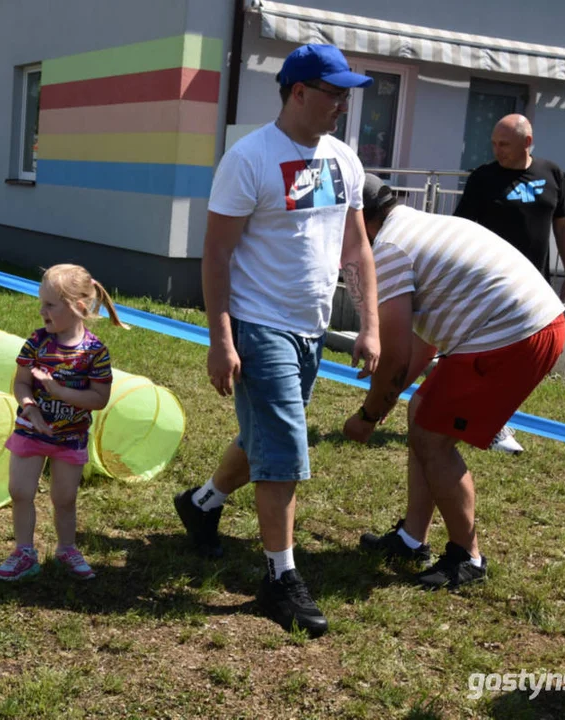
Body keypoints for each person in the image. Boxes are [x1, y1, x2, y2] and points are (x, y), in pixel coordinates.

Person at [172, 44, 381, 636]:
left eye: (346, 93)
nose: (342, 104)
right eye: (333, 92)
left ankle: (202, 504)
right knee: (285, 449)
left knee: (263, 435)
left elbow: (355, 247)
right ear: (297, 92)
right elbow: (216, 253)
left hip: (310, 327)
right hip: (259, 323)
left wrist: (368, 324)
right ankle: (279, 577)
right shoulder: (250, 159)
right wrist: (222, 340)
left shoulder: (344, 160)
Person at [345, 174, 565, 589]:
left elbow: (393, 357)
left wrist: (368, 416)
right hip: (529, 323)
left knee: (432, 437)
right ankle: (413, 538)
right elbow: (421, 346)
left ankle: (469, 558)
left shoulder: (389, 250)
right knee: (422, 414)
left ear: (360, 221)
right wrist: (382, 406)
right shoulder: (414, 227)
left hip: (516, 334)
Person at [0, 264, 127, 582]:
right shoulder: (37, 343)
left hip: (70, 437)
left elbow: (99, 399)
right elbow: (21, 383)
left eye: (50, 305)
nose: (42, 311)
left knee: (64, 498)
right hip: (31, 430)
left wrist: (57, 390)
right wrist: (30, 408)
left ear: (78, 307)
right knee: (20, 490)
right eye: (41, 303)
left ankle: (67, 549)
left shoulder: (94, 353)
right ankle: (24, 552)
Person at [454, 113, 565, 455]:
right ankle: (489, 424)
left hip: (534, 287)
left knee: (519, 358)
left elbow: (563, 227)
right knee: (488, 354)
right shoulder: (483, 178)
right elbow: (460, 230)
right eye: (494, 143)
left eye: (504, 144)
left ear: (527, 142)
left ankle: (490, 419)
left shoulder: (551, 173)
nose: (498, 150)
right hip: (489, 284)